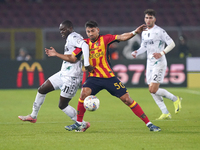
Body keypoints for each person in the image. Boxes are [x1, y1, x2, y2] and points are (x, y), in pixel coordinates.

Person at [61, 20, 161, 132]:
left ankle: (149, 124)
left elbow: (122, 37)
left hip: (109, 77)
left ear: (98, 30)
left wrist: (135, 32)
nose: (90, 33)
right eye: (88, 31)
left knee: (127, 99)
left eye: (92, 31)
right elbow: (72, 57)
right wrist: (56, 54)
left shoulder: (105, 39)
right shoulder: (84, 43)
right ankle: (79, 123)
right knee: (84, 93)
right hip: (94, 78)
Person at [18, 20, 93, 131]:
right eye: (60, 30)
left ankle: (82, 123)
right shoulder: (70, 39)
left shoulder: (73, 37)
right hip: (63, 73)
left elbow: (85, 45)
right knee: (41, 90)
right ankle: (33, 116)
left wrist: (86, 63)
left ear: (70, 28)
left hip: (72, 77)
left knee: (62, 105)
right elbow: (73, 55)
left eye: (64, 29)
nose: (61, 32)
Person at [131, 9, 182, 120]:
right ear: (144, 19)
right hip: (149, 63)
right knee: (151, 89)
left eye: (150, 18)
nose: (148, 20)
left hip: (159, 62)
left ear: (154, 19)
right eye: (146, 18)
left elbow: (172, 43)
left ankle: (175, 99)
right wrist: (137, 52)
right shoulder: (144, 32)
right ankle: (165, 112)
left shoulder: (160, 31)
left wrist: (161, 53)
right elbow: (144, 47)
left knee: (153, 89)